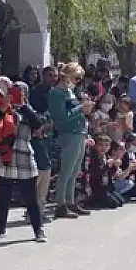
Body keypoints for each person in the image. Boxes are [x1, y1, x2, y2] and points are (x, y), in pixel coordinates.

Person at [0, 81, 46, 240]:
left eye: (21, 91)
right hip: (4, 155)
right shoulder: (0, 108)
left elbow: (38, 124)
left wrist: (23, 106)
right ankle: (0, 228)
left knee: (30, 197)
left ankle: (38, 230)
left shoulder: (29, 111)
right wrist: (3, 108)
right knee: (3, 195)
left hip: (24, 155)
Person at [48, 62, 94, 218]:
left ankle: (70, 201)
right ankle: (60, 203)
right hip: (68, 134)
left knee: (74, 171)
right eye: (76, 77)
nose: (78, 81)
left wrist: (84, 111)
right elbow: (60, 117)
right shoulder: (56, 93)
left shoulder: (69, 92)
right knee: (66, 171)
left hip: (79, 132)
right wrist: (81, 108)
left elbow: (74, 112)